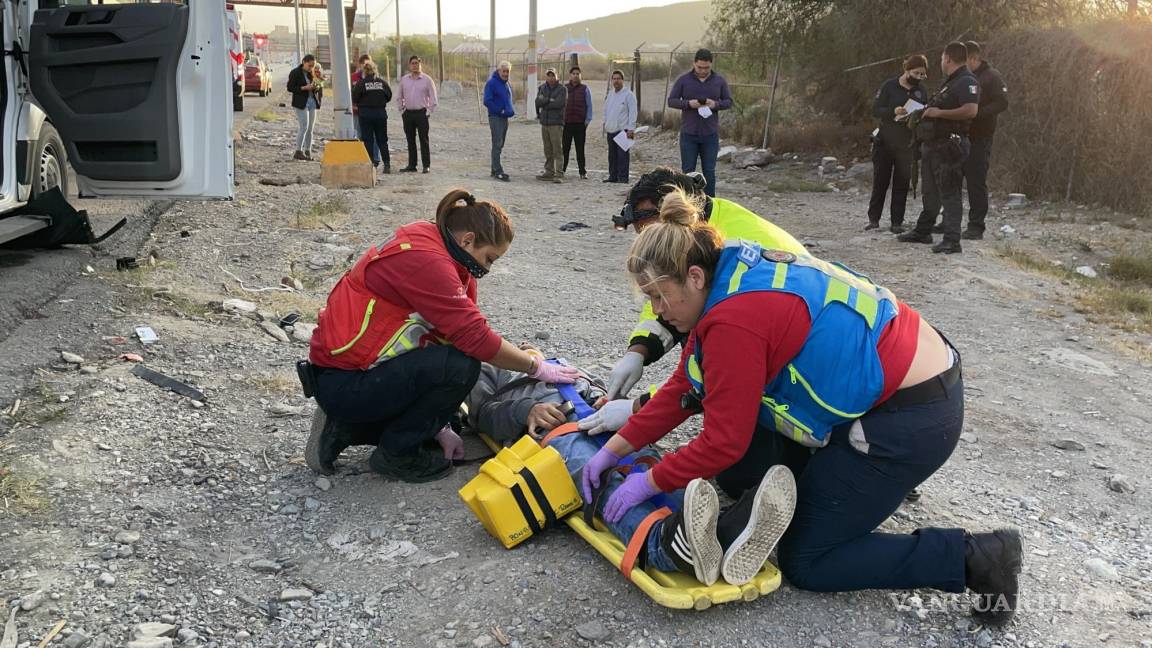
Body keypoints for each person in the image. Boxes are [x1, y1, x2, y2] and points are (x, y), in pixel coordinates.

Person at [584, 188, 1023, 625]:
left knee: (809, 560)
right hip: (900, 372)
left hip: (914, 415)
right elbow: (689, 381)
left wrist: (648, 482)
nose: (657, 311)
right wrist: (617, 447)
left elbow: (723, 442)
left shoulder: (734, 320)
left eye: (660, 297)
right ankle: (822, 485)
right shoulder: (730, 270)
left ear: (694, 277)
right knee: (741, 473)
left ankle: (979, 558)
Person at [303, 189, 580, 483]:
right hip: (346, 382)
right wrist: (535, 366)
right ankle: (397, 454)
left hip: (352, 374)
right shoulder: (426, 261)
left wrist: (440, 427)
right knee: (461, 367)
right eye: (489, 259)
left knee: (449, 411)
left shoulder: (433, 242)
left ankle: (344, 428)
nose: (486, 268)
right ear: (468, 240)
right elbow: (475, 339)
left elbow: (458, 331)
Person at [465, 349, 798, 587]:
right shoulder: (486, 366)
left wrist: (608, 399)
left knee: (647, 466)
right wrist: (526, 411)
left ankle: (723, 531)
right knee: (600, 479)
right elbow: (483, 415)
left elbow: (598, 387)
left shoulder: (551, 361)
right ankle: (663, 546)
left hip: (596, 417)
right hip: (556, 429)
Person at [604, 167, 806, 401]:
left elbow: (718, 370)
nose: (654, 241)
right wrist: (638, 352)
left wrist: (640, 407)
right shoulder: (704, 230)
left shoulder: (733, 255)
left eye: (655, 233)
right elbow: (664, 296)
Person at [898, 42, 979, 254]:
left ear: (948, 59)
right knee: (930, 191)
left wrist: (939, 114)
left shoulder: (966, 81)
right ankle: (923, 230)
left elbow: (971, 110)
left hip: (950, 145)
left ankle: (952, 240)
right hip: (933, 144)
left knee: (950, 192)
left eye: (942, 59)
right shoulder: (950, 83)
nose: (941, 62)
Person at [867, 55, 930, 234]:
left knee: (902, 183)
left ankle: (897, 222)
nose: (918, 77)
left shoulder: (920, 91)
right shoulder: (889, 86)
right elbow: (876, 109)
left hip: (906, 142)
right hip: (885, 140)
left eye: (922, 75)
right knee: (880, 180)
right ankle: (874, 219)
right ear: (907, 70)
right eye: (916, 73)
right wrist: (892, 111)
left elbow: (924, 110)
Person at [957, 41, 1008, 241]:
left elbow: (1002, 102)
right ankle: (948, 221)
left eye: (964, 60)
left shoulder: (991, 76)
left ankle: (976, 226)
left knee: (975, 181)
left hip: (980, 136)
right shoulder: (962, 77)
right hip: (960, 135)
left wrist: (978, 114)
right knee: (952, 179)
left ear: (974, 58)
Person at [667, 49, 732, 197]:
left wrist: (714, 104)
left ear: (711, 65)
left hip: (710, 134)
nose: (703, 70)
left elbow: (728, 101)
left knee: (709, 170)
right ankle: (687, 203)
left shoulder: (720, 81)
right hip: (689, 134)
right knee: (688, 170)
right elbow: (671, 101)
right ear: (694, 64)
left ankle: (710, 203)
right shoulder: (683, 80)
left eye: (706, 68)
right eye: (700, 67)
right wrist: (689, 104)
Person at [398, 55, 438, 174]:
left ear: (420, 64)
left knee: (424, 140)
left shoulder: (427, 80)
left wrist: (429, 111)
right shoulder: (404, 80)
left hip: (422, 114)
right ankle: (412, 165)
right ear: (410, 65)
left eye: (417, 63)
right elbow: (399, 96)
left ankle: (426, 165)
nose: (415, 65)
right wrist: (402, 110)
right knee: (410, 140)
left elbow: (433, 97)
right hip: (408, 113)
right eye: (413, 63)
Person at [351, 60, 392, 173]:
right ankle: (387, 165)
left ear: (364, 71)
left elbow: (355, 97)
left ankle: (370, 164)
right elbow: (389, 96)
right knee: (382, 140)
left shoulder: (361, 83)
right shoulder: (382, 83)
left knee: (368, 140)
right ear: (375, 71)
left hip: (365, 114)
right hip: (380, 114)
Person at [602, 70, 638, 184]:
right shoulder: (610, 94)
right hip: (611, 129)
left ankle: (623, 178)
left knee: (623, 155)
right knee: (612, 155)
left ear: (623, 80)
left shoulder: (629, 95)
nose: (616, 81)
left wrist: (631, 129)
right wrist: (605, 124)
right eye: (614, 78)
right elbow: (606, 110)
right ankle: (613, 176)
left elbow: (633, 113)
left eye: (618, 78)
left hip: (625, 130)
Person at [287, 54, 322, 161]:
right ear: (304, 62)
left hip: (312, 101)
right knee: (304, 126)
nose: (311, 68)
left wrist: (316, 86)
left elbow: (317, 88)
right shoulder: (295, 72)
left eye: (313, 66)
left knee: (310, 128)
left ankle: (308, 150)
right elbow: (290, 88)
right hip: (301, 102)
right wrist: (303, 88)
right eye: (309, 65)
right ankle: (298, 151)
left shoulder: (312, 73)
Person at [535, 68, 568, 183]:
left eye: (553, 75)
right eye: (549, 75)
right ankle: (549, 171)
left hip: (556, 123)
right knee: (547, 149)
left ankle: (559, 173)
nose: (551, 78)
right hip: (545, 123)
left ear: (557, 76)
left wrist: (545, 101)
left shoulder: (562, 89)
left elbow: (559, 103)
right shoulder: (542, 88)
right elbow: (537, 102)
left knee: (557, 149)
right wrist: (549, 100)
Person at [483, 61, 515, 182]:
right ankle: (497, 170)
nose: (506, 73)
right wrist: (500, 111)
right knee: (497, 143)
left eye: (508, 71)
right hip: (496, 117)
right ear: (499, 71)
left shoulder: (506, 84)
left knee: (500, 144)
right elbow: (487, 101)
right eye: (504, 71)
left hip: (504, 117)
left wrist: (510, 110)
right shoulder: (492, 83)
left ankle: (494, 168)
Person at [561, 66, 593, 180]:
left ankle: (582, 172)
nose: (575, 75)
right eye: (573, 73)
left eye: (577, 73)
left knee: (580, 149)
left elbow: (589, 106)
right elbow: (561, 105)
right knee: (565, 149)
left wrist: (587, 121)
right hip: (567, 124)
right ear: (570, 75)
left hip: (580, 124)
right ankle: (562, 170)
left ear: (580, 75)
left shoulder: (585, 89)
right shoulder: (564, 88)